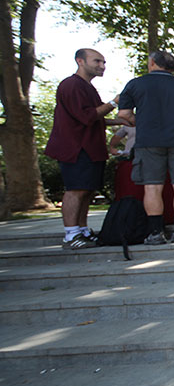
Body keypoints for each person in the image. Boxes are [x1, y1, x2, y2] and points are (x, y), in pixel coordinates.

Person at [117, 50, 174, 245]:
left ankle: (156, 233)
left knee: (152, 187)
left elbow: (124, 114)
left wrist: (141, 123)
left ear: (152, 63)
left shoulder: (135, 84)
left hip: (148, 141)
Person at [43, 48, 122, 249]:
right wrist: (114, 102)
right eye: (97, 61)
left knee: (87, 191)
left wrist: (120, 122)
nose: (102, 66)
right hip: (76, 148)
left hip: (91, 147)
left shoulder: (87, 87)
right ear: (80, 61)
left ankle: (82, 230)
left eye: (104, 63)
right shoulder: (71, 85)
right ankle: (71, 235)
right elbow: (86, 117)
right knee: (76, 190)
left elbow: (95, 118)